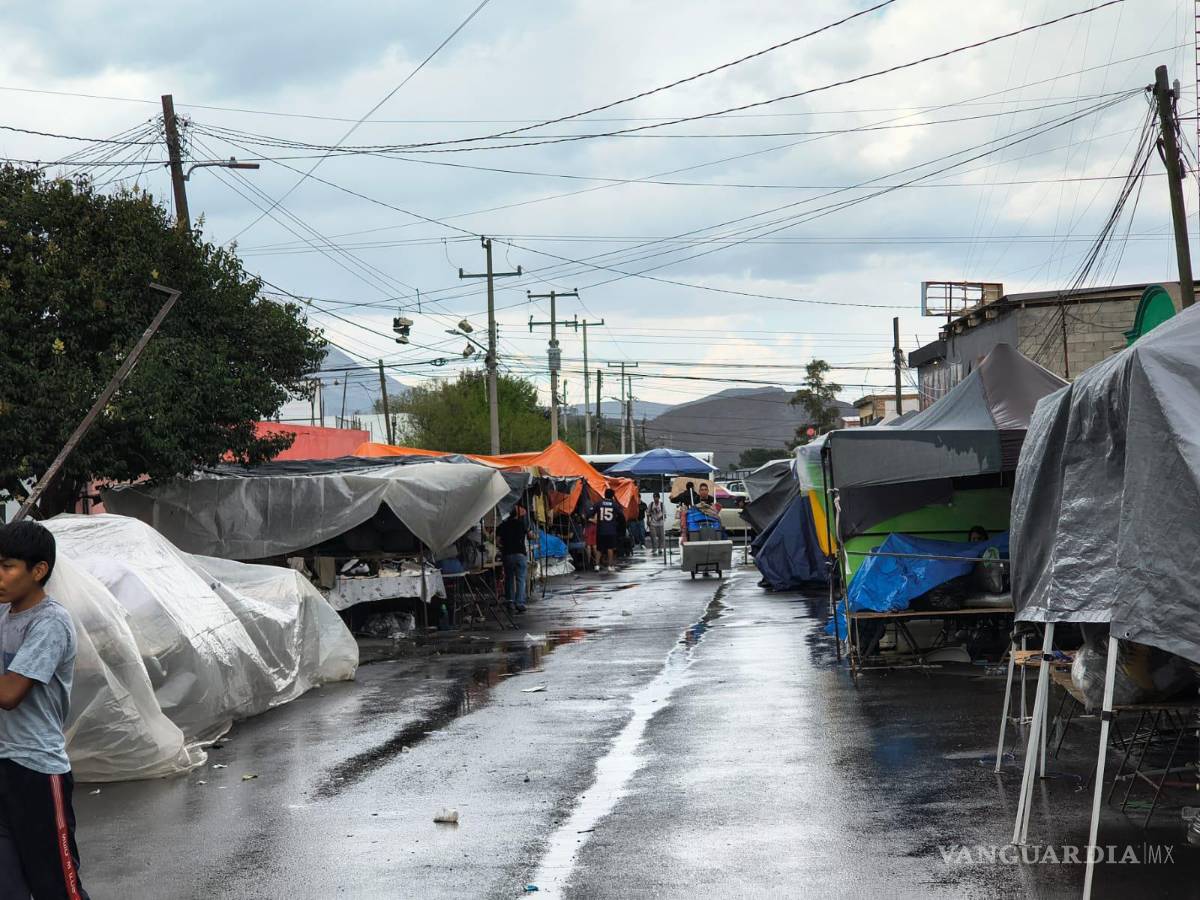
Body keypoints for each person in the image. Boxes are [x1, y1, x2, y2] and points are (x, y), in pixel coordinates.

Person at [0, 521, 89, 900]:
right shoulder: (5, 618)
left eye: (6, 566)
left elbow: (10, 694)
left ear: (38, 571)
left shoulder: (50, 622)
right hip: (3, 764)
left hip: (35, 770)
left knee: (56, 886)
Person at [497, 504, 530, 613]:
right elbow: (530, 535)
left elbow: (497, 541)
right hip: (520, 554)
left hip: (508, 555)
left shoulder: (503, 525)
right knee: (520, 579)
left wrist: (502, 546)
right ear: (517, 515)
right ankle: (519, 603)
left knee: (509, 578)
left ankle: (510, 602)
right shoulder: (522, 524)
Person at [593, 488, 625, 572]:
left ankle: (596, 565)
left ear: (605, 494)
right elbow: (621, 515)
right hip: (611, 530)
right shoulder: (614, 505)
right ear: (612, 496)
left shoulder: (599, 503)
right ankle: (610, 566)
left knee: (599, 549)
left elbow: (590, 513)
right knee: (610, 548)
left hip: (600, 530)